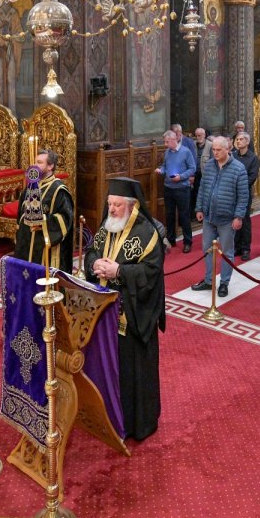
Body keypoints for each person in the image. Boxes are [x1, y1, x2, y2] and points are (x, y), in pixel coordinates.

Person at [85, 177, 165, 440]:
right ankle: (106, 415)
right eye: (109, 204)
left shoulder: (147, 233)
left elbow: (151, 273)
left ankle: (134, 423)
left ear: (132, 206)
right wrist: (95, 264)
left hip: (131, 314)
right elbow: (91, 251)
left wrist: (118, 271)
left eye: (117, 205)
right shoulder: (108, 225)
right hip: (104, 312)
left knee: (132, 370)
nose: (111, 210)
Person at [192, 137, 248, 297]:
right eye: (213, 150)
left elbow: (243, 196)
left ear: (227, 149)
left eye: (218, 150)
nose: (215, 153)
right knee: (207, 250)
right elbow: (202, 188)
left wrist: (238, 216)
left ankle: (224, 283)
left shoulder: (239, 168)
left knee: (227, 252)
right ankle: (209, 281)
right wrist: (199, 208)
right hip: (209, 217)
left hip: (227, 218)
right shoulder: (209, 165)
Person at [12, 149, 74, 272]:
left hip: (45, 247)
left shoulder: (59, 190)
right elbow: (20, 214)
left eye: (40, 162)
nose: (35, 166)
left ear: (50, 166)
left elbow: (65, 219)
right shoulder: (30, 187)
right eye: (35, 162)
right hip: (26, 242)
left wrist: (42, 220)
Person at [156, 129, 196, 252]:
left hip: (182, 188)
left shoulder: (186, 152)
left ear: (174, 140)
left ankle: (187, 241)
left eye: (167, 141)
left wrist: (181, 177)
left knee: (184, 215)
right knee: (169, 215)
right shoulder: (167, 152)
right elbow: (165, 166)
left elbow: (192, 168)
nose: (165, 144)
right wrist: (161, 170)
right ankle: (171, 239)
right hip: (168, 188)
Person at [232, 131, 260, 261]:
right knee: (234, 220)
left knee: (244, 221)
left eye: (241, 139)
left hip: (244, 194)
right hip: (232, 193)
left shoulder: (253, 158)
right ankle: (236, 247)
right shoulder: (232, 156)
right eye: (237, 139)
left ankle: (245, 249)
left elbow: (252, 177)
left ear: (247, 142)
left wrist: (239, 186)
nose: (238, 141)